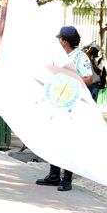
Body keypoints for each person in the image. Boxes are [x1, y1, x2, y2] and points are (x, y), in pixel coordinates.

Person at [35, 26, 93, 192]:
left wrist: (68, 78)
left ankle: (67, 179)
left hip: (72, 106)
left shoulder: (80, 57)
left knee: (69, 141)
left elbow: (89, 79)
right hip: (56, 102)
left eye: (60, 38)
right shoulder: (58, 57)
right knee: (55, 138)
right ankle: (54, 175)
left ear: (65, 41)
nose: (59, 41)